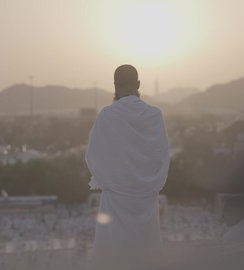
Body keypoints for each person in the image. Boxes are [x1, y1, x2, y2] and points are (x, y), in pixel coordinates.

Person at [85, 64, 170, 269]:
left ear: (115, 86)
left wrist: (114, 180)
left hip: (115, 199)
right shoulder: (155, 115)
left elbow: (92, 156)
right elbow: (163, 157)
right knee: (146, 256)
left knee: (114, 258)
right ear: (138, 84)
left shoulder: (107, 115)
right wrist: (146, 183)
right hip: (147, 200)